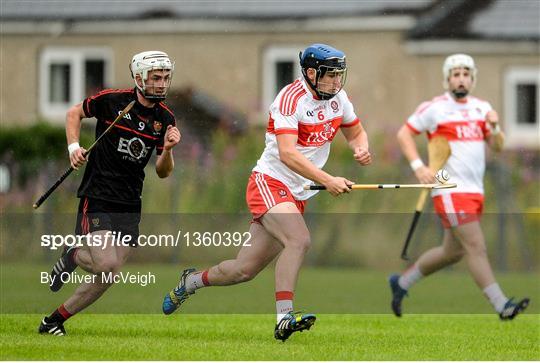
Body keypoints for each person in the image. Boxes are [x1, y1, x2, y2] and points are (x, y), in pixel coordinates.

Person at [162, 44, 371, 341]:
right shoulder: (290, 100)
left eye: (340, 75)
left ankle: (191, 281)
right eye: (331, 76)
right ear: (311, 73)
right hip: (270, 183)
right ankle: (284, 317)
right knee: (299, 240)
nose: (337, 82)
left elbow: (355, 131)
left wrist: (360, 147)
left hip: (296, 193)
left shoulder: (339, 99)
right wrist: (327, 179)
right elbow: (287, 154)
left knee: (243, 270)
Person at [39, 51, 180, 336]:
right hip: (99, 193)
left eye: (165, 77)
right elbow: (73, 113)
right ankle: (74, 254)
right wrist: (73, 148)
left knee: (110, 275)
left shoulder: (165, 118)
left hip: (130, 202)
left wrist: (169, 149)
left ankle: (53, 320)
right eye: (155, 77)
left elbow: (163, 172)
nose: (162, 83)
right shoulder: (112, 100)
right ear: (139, 77)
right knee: (106, 264)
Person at [390, 53, 529, 320]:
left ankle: (401, 283)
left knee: (452, 252)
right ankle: (502, 305)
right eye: (456, 74)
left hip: (475, 190)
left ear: (472, 79)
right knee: (476, 246)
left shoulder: (481, 108)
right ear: (447, 79)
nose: (461, 79)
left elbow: (497, 146)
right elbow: (404, 133)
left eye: (466, 74)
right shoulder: (435, 108)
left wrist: (495, 125)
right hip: (450, 189)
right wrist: (419, 166)